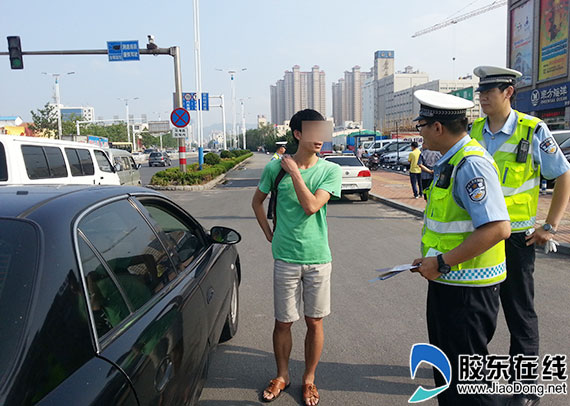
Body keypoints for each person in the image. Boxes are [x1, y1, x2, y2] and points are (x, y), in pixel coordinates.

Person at [471, 66, 570, 406]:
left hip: (516, 238)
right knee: (477, 310)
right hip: (479, 237)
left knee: (519, 311)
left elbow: (563, 175)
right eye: (480, 92)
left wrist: (550, 226)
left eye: (490, 91)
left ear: (508, 92)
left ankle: (525, 383)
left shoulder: (532, 129)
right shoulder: (473, 131)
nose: (482, 97)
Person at [410, 89, 511, 406]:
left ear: (437, 128)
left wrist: (440, 262)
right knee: (448, 376)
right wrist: (432, 260)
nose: (420, 132)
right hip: (448, 282)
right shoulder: (449, 161)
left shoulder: (471, 164)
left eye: (421, 125)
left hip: (468, 291)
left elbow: (498, 228)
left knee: (469, 383)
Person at [251, 109, 342, 406]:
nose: (320, 138)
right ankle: (283, 375)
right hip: (286, 258)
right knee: (283, 322)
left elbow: (312, 206)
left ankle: (309, 379)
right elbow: (257, 202)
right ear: (298, 134)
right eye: (314, 132)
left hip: (318, 258)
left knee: (314, 322)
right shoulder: (274, 169)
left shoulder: (329, 170)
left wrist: (295, 173)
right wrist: (268, 233)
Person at [267, 142, 287, 220]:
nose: (285, 149)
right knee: (274, 198)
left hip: (280, 180)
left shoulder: (281, 157)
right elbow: (273, 169)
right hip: (276, 180)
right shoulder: (275, 157)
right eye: (284, 148)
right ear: (280, 148)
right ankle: (270, 213)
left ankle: (274, 212)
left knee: (276, 197)